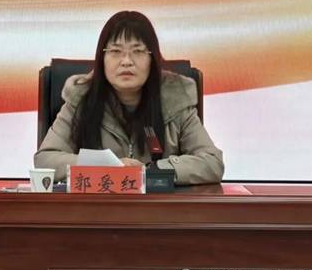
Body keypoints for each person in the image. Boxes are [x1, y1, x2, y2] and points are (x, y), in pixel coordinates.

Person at [34, 11, 224, 185]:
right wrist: (108, 166)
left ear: (152, 59)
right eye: (116, 51)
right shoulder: (81, 98)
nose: (126, 61)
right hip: (96, 207)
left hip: (157, 208)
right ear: (102, 59)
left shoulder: (175, 99)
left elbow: (212, 162)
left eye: (138, 51)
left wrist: (151, 171)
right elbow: (45, 160)